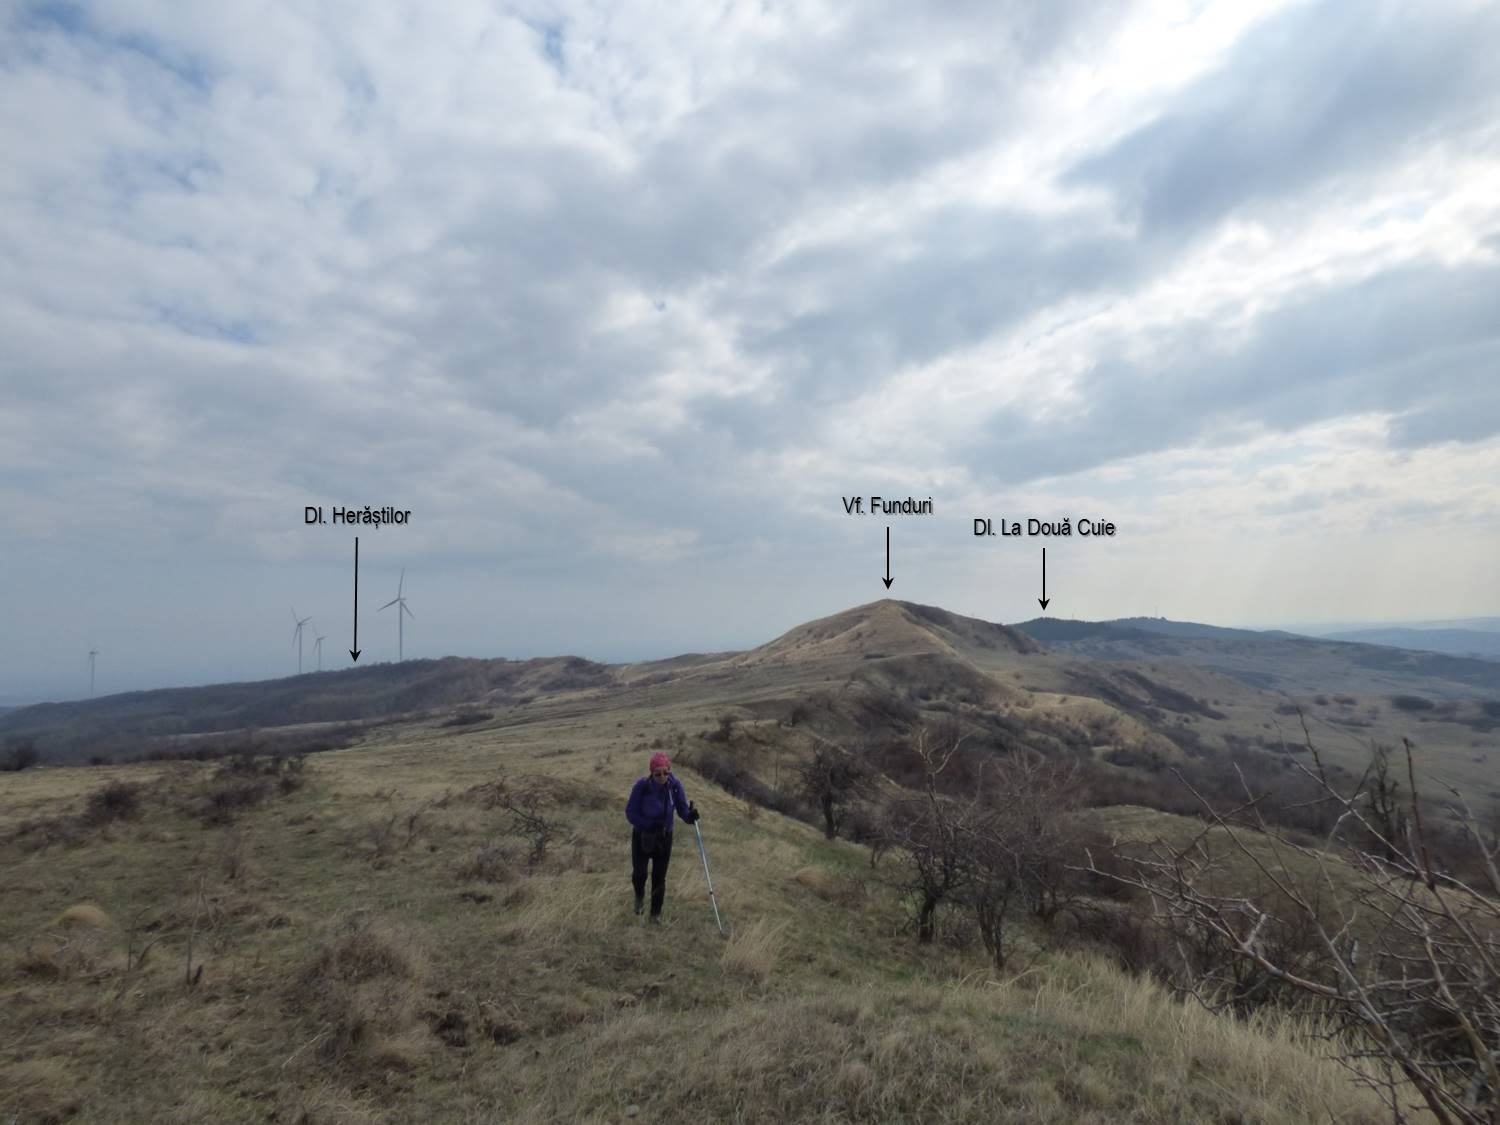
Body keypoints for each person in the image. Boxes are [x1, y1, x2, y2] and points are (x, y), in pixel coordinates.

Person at [625, 751, 699, 922]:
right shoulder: (642, 786)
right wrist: (647, 824)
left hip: (664, 837)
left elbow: (682, 809)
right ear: (651, 773)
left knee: (659, 876)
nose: (662, 776)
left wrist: (690, 817)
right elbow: (630, 812)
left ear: (669, 770)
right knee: (639, 874)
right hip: (642, 835)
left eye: (665, 772)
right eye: (657, 773)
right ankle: (639, 897)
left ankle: (655, 914)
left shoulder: (675, 786)